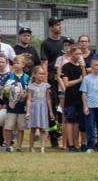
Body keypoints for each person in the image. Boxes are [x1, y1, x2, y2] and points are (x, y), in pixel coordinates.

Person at [40, 17, 65, 148]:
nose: (59, 27)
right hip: (52, 78)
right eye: (56, 25)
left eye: (60, 24)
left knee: (64, 108)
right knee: (53, 107)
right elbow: (44, 63)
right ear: (51, 27)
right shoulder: (46, 44)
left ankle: (65, 136)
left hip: (65, 78)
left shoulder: (65, 42)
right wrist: (45, 83)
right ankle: (54, 136)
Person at [61, 44, 86, 152]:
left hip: (81, 97)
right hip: (71, 97)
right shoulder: (66, 67)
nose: (79, 56)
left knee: (80, 121)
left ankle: (79, 144)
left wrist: (83, 67)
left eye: (80, 54)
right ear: (71, 54)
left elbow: (85, 79)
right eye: (77, 54)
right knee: (70, 120)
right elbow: (66, 84)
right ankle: (70, 145)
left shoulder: (82, 66)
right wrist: (79, 80)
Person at [1, 55, 29, 152]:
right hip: (11, 105)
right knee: (9, 126)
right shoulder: (10, 76)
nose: (15, 65)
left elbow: (29, 90)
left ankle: (19, 146)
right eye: (14, 63)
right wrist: (6, 91)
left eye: (18, 63)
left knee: (20, 127)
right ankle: (8, 146)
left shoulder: (26, 77)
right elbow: (4, 89)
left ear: (23, 65)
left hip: (22, 106)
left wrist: (26, 95)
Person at [81, 56, 98, 152]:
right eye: (96, 65)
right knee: (90, 127)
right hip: (90, 105)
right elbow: (84, 93)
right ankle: (90, 146)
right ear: (91, 67)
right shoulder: (87, 79)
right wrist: (85, 106)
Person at [25, 65, 53, 152]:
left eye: (43, 74)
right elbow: (29, 100)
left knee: (42, 129)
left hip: (43, 108)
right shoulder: (31, 86)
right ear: (34, 74)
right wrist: (28, 112)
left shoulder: (46, 86)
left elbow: (48, 99)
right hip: (34, 108)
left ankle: (42, 148)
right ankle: (31, 147)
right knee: (33, 128)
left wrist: (51, 111)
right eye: (40, 74)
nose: (42, 75)